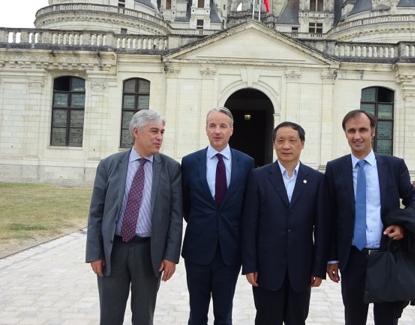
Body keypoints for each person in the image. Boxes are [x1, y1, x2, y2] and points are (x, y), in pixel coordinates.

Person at [323, 109, 415, 325]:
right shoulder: (335, 169)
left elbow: (414, 201)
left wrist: (403, 226)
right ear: (346, 134)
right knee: (354, 319)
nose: (357, 136)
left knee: (387, 320)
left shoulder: (394, 166)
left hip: (387, 255)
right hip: (353, 257)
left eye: (362, 130)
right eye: (351, 131)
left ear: (373, 132)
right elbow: (330, 217)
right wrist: (331, 258)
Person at [85, 109, 183, 325]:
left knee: (143, 318)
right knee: (110, 317)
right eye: (154, 131)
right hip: (113, 252)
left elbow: (176, 217)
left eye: (162, 132)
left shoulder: (171, 169)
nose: (159, 137)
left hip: (149, 254)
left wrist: (170, 256)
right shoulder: (109, 165)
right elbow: (96, 213)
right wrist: (94, 253)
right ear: (136, 132)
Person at [242, 121, 327, 325]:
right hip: (266, 268)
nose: (286, 146)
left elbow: (322, 228)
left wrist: (318, 267)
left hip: (302, 269)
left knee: (297, 320)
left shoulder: (316, 179)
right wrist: (250, 264)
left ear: (302, 144)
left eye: (292, 141)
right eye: (280, 141)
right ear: (274, 144)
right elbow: (249, 224)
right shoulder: (258, 177)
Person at [181, 107, 254, 325]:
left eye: (223, 126)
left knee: (224, 314)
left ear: (232, 130)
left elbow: (247, 208)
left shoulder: (246, 163)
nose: (217, 131)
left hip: (229, 252)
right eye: (212, 125)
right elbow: (186, 204)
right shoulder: (190, 162)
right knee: (197, 314)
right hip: (197, 250)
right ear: (206, 129)